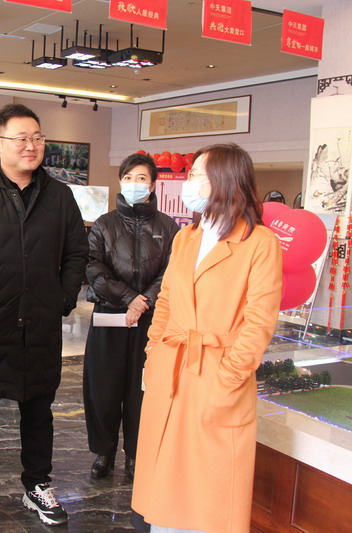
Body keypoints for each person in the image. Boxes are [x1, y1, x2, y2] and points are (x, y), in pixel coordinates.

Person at [0, 103, 88, 529]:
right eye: (22, 138)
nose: (32, 146)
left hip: (40, 324)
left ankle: (37, 484)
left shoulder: (59, 196)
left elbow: (76, 253)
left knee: (39, 413)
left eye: (38, 138)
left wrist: (62, 299)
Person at [131, 143, 282, 533]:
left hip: (217, 372)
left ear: (226, 180)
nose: (189, 182)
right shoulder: (187, 237)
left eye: (198, 174)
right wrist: (153, 353)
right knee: (164, 484)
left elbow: (258, 323)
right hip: (172, 367)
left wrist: (229, 377)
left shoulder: (259, 243)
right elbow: (166, 300)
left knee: (209, 494)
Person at [84, 153, 179, 481]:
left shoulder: (168, 226)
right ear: (120, 181)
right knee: (103, 388)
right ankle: (104, 451)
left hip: (151, 322)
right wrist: (128, 298)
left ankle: (137, 452)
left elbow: (172, 271)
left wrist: (145, 301)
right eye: (128, 178)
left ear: (152, 185)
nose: (134, 184)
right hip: (109, 318)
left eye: (141, 178)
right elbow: (93, 267)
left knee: (143, 390)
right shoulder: (104, 224)